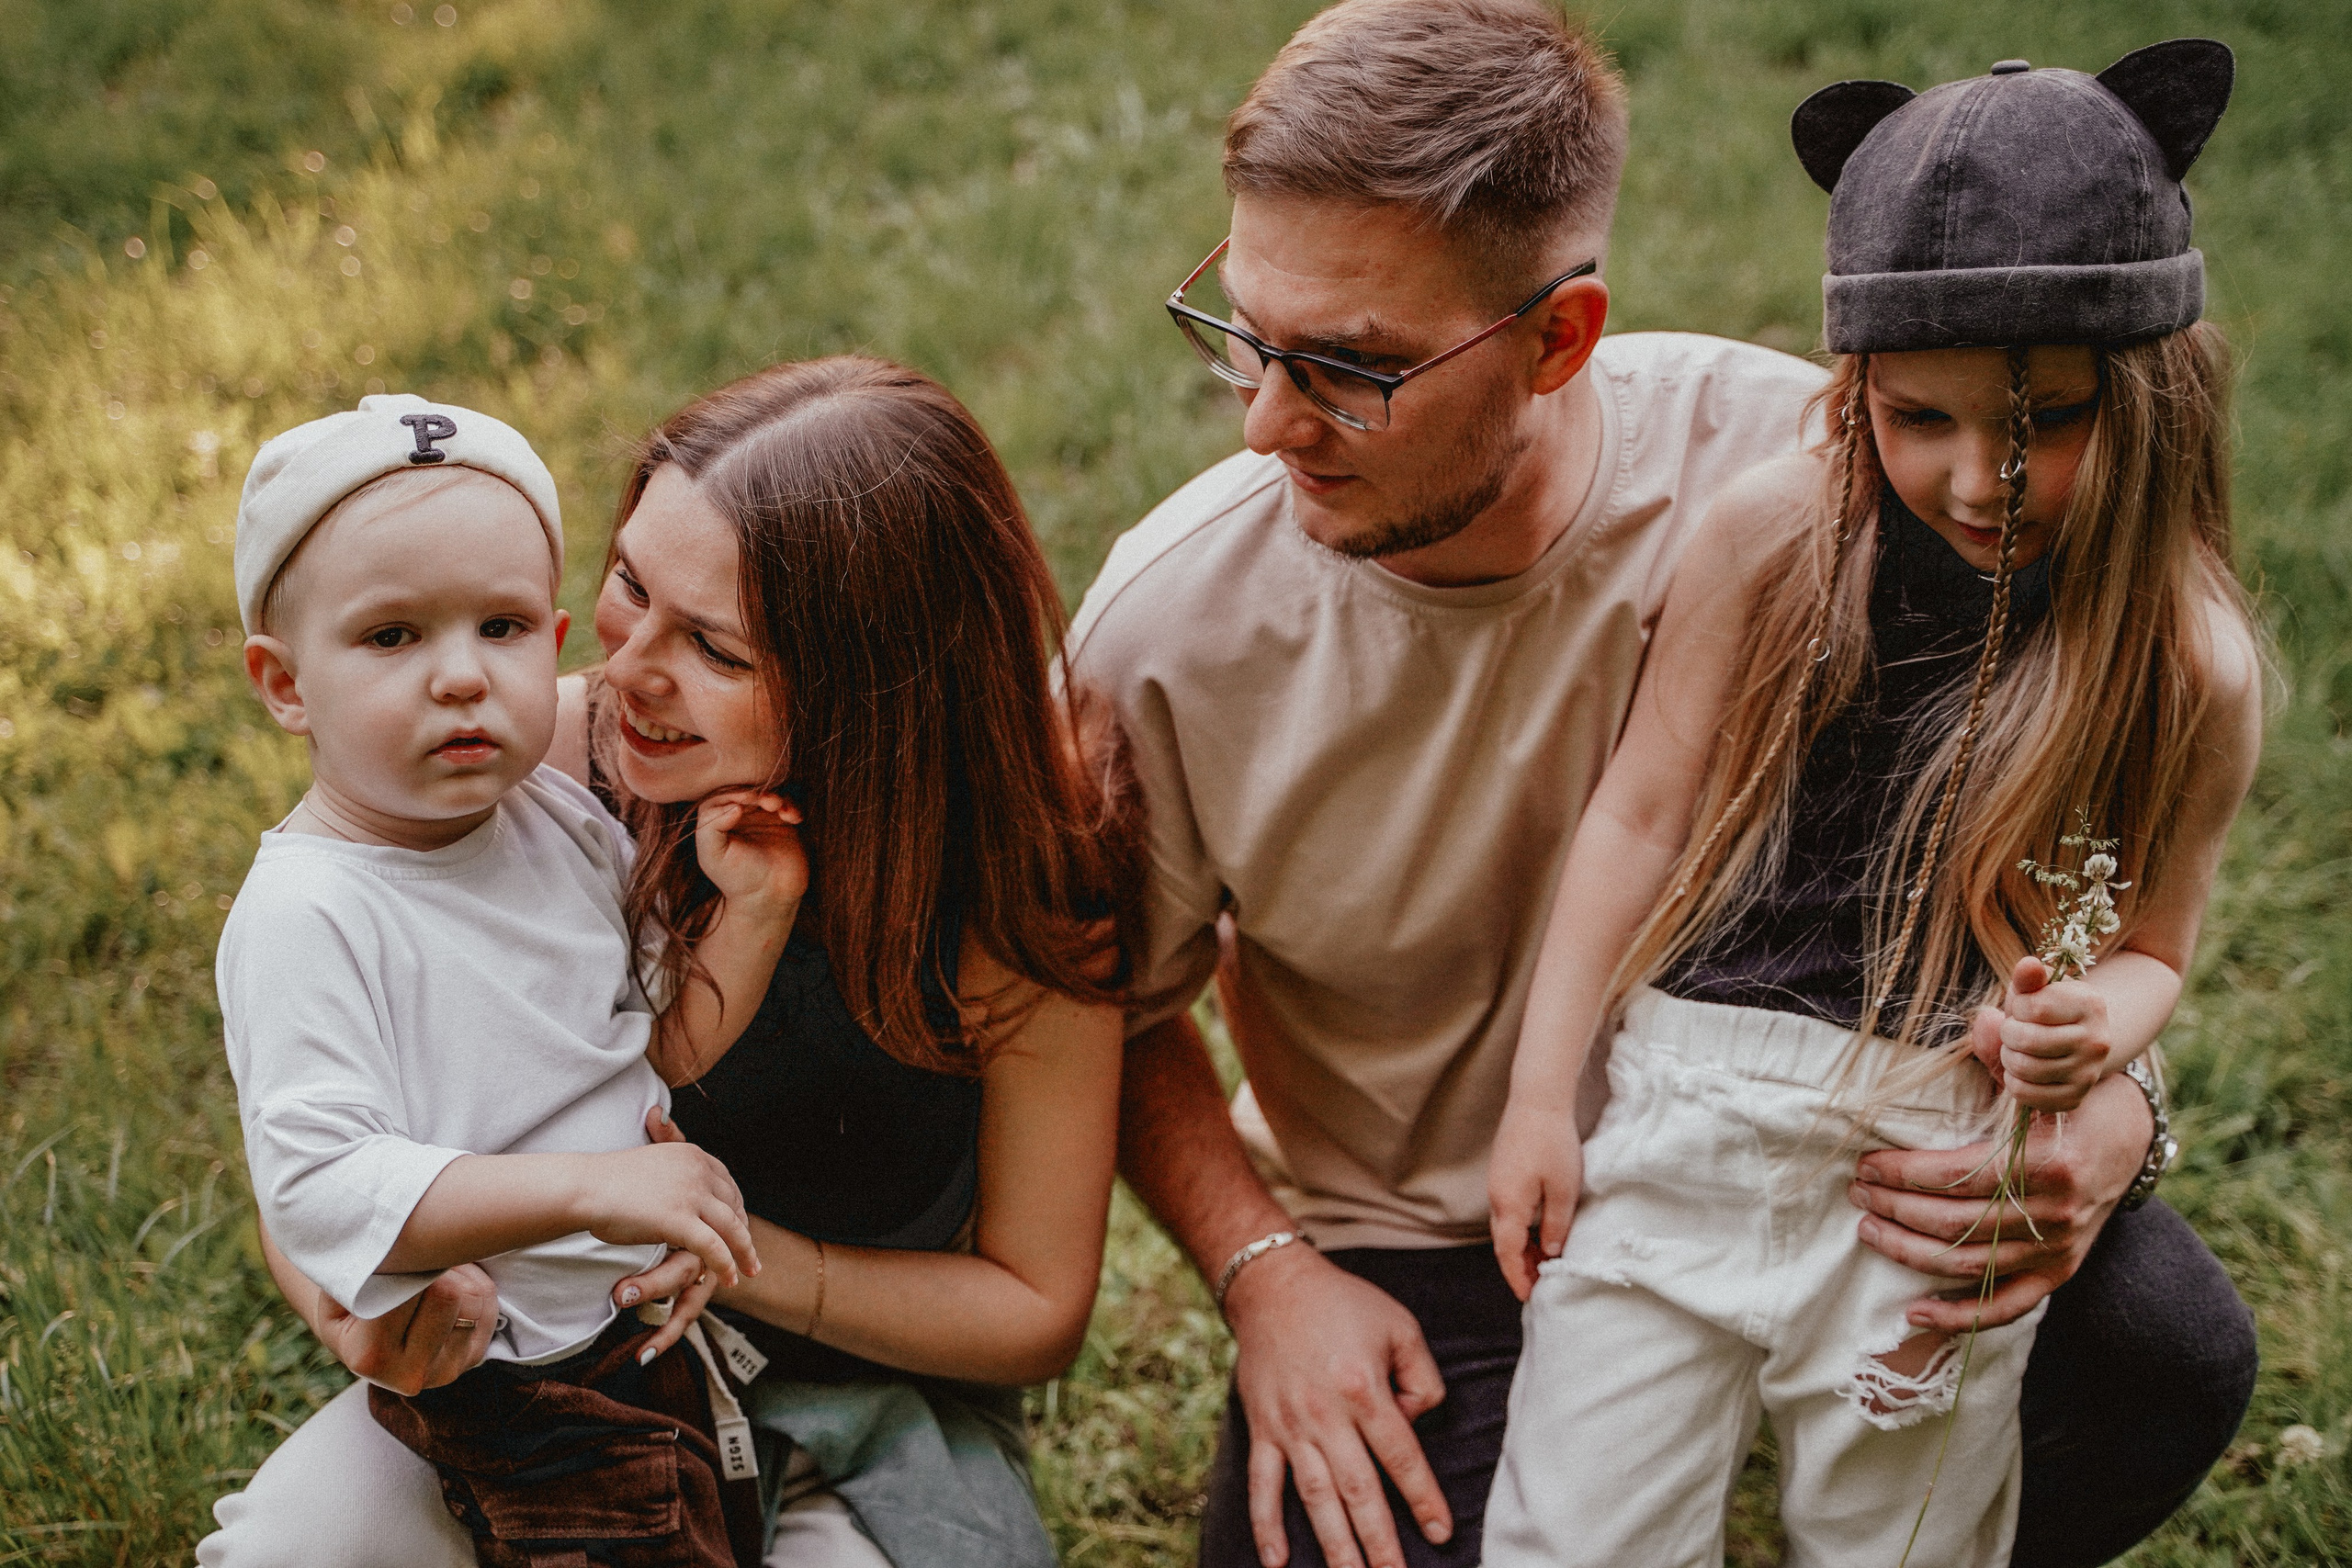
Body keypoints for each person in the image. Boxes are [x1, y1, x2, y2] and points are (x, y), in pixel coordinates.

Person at [1069, 4, 2259, 1565]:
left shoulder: (1835, 474)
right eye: (1242, 328)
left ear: (1562, 338)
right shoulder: (1167, 629)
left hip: (1858, 1144)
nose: (1266, 418)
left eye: (1354, 366)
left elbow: (2089, 839)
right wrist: (1267, 1269)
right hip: (1432, 1234)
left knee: (2161, 1350)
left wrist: (2113, 1110)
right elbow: (1099, 1006)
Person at [1480, 39, 2259, 1567]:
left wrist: (2096, 1026)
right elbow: (1640, 813)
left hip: (1935, 1164)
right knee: (1574, 1530)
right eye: (1923, 419)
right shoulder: (1778, 533)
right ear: (1862, 392)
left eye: (2047, 420)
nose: (1980, 479)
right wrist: (1538, 1095)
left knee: (1900, 1540)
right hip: (1688, 1116)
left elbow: (2156, 946)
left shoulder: (2187, 663)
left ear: (2153, 391)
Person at [199, 359, 1137, 1568]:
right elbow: (316, 1146)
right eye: (631, 585)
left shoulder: (1012, 890)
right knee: (298, 1546)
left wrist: (717, 1248)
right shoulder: (529, 766)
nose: (632, 666)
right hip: (545, 1371)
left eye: (716, 648)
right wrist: (348, 1310)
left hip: (858, 1397)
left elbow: (1033, 1308)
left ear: (870, 687)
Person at [220, 393, 790, 1563]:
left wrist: (756, 911)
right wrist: (593, 1192)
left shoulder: (557, 822)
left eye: (502, 627)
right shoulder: (309, 913)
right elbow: (321, 1188)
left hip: (631, 1339)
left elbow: (655, 1039)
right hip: (510, 1378)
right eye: (392, 637)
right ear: (284, 684)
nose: (461, 677)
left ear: (557, 636)